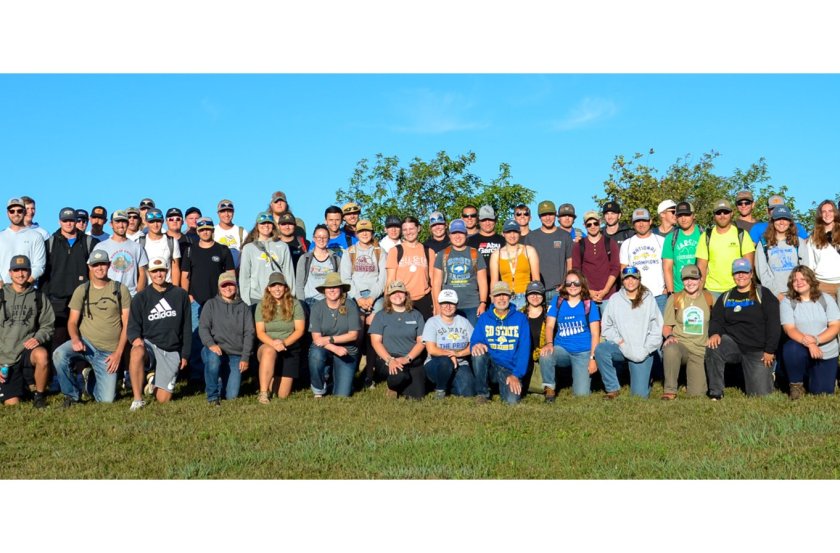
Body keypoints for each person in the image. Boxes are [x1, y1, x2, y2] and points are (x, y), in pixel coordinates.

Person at [53, 250, 130, 406]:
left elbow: (127, 324)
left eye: (102, 264)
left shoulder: (120, 289)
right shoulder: (82, 290)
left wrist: (118, 354)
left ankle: (90, 380)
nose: (99, 268)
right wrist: (75, 339)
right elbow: (72, 322)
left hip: (109, 352)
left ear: (109, 265)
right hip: (86, 344)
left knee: (106, 400)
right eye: (95, 265)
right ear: (89, 267)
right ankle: (72, 395)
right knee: (59, 354)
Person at [705, 258, 781, 400]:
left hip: (757, 349)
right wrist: (715, 333)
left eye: (744, 272)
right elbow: (716, 319)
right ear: (733, 275)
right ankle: (716, 391)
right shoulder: (726, 296)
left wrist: (770, 350)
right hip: (733, 344)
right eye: (737, 273)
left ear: (751, 274)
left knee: (759, 396)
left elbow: (774, 323)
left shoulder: (763, 294)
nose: (741, 276)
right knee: (713, 346)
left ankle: (768, 374)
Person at [126, 256, 192, 410]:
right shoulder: (141, 297)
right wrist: (136, 340)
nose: (158, 274)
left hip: (171, 349)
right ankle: (137, 399)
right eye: (155, 271)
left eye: (161, 270)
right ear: (149, 273)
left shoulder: (180, 295)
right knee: (136, 352)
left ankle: (152, 383)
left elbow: (186, 327)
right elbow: (133, 326)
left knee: (163, 400)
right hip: (150, 346)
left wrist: (185, 354)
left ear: (167, 271)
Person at [595, 266, 663, 399]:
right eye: (626, 279)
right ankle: (612, 388)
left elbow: (657, 327)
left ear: (639, 280)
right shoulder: (615, 299)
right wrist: (619, 341)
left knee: (639, 396)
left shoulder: (648, 298)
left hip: (643, 350)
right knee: (601, 350)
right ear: (622, 281)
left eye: (634, 278)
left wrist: (647, 348)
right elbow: (607, 326)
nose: (630, 281)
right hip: (622, 347)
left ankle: (645, 378)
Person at [181, 216, 235, 380]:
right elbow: (185, 276)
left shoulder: (222, 250)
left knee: (219, 336)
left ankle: (218, 373)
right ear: (198, 231)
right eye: (202, 229)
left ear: (212, 230)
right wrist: (187, 296)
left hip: (218, 301)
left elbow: (231, 275)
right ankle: (197, 376)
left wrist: (228, 298)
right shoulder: (190, 250)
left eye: (208, 229)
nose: (205, 232)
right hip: (196, 301)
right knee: (197, 337)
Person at [0, 255, 54, 407]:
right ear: (10, 273)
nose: (20, 274)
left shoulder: (38, 296)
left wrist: (38, 338)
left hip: (26, 351)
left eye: (24, 270)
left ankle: (39, 396)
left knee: (42, 355)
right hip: (4, 357)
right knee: (13, 404)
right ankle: (22, 386)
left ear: (30, 272)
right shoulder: (2, 295)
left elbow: (48, 325)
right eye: (16, 270)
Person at [42, 207, 99, 349]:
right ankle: (58, 371)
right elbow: (44, 273)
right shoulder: (49, 243)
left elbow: (96, 271)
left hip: (83, 299)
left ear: (76, 221)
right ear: (59, 222)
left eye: (72, 220)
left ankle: (82, 371)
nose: (68, 224)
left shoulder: (89, 242)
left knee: (82, 339)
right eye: (65, 220)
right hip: (57, 300)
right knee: (58, 340)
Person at [780, 266, 840, 399]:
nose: (799, 282)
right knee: (791, 348)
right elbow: (789, 329)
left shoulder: (826, 299)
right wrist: (811, 344)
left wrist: (816, 340)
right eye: (795, 280)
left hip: (825, 351)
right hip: (801, 349)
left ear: (811, 280)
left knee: (822, 393)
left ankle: (819, 377)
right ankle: (796, 385)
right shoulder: (787, 302)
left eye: (803, 278)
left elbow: (835, 326)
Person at [540, 270, 601, 400]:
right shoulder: (558, 301)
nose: (572, 286)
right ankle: (549, 388)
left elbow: (595, 334)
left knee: (581, 395)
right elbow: (550, 326)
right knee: (546, 354)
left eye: (576, 283)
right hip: (562, 349)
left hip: (583, 352)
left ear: (582, 284)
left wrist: (592, 359)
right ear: (565, 285)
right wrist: (549, 344)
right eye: (569, 283)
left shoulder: (589, 304)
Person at [339, 219, 386, 387]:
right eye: (361, 231)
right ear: (357, 233)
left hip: (376, 296)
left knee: (373, 334)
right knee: (356, 334)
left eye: (368, 231)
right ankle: (350, 375)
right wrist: (358, 298)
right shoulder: (349, 252)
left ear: (372, 232)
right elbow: (345, 278)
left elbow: (382, 279)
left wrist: (372, 298)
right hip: (354, 295)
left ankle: (369, 376)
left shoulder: (380, 252)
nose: (365, 234)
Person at [198, 271, 255, 406]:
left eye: (231, 285)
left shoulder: (244, 308)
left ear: (236, 286)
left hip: (235, 354)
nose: (228, 288)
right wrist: (211, 344)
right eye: (224, 285)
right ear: (219, 288)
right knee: (213, 359)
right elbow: (203, 328)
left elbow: (249, 333)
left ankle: (219, 380)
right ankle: (212, 397)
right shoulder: (210, 304)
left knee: (231, 396)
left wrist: (245, 357)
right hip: (216, 350)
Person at [470, 281, 531, 404]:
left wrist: (516, 375)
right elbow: (475, 340)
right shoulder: (484, 318)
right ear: (492, 298)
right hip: (491, 364)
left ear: (510, 297)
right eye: (498, 295)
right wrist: (476, 344)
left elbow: (524, 350)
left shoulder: (520, 318)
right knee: (478, 354)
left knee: (512, 401)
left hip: (509, 368)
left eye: (505, 295)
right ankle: (482, 394)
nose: (501, 298)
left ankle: (504, 386)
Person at [660, 264, 713, 400]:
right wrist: (669, 336)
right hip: (681, 345)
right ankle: (670, 390)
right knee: (670, 348)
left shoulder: (709, 298)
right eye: (686, 279)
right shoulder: (675, 298)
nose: (690, 283)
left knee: (697, 394)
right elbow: (666, 326)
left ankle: (687, 382)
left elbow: (717, 323)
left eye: (693, 279)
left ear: (700, 280)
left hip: (699, 350)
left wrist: (713, 336)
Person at [369, 281, 427, 399]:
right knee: (399, 376)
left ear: (406, 295)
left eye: (400, 292)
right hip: (387, 359)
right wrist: (390, 360)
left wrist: (407, 358)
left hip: (411, 359)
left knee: (418, 395)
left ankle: (403, 387)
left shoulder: (416, 315)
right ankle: (393, 387)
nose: (397, 295)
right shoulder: (381, 316)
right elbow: (375, 342)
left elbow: (421, 342)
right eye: (393, 293)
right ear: (389, 297)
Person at [254, 272, 305, 403]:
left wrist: (283, 343)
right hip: (268, 345)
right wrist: (274, 343)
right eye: (274, 285)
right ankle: (263, 393)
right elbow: (260, 332)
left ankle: (270, 377)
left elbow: (299, 330)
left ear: (285, 287)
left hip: (289, 346)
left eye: (280, 285)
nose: (277, 289)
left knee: (282, 395)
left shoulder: (295, 304)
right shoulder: (261, 305)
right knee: (269, 351)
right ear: (269, 288)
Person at [308, 272, 361, 398]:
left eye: (335, 286)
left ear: (341, 289)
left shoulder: (351, 305)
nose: (332, 290)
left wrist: (329, 339)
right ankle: (319, 389)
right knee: (316, 355)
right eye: (329, 287)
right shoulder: (316, 307)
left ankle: (333, 379)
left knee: (342, 395)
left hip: (347, 349)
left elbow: (353, 335)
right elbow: (316, 338)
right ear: (324, 290)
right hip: (325, 348)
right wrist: (334, 347)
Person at [431, 218, 488, 327]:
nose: (457, 236)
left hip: (472, 305)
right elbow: (436, 283)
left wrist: (483, 303)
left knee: (473, 338)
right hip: (448, 305)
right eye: (454, 233)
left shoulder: (475, 254)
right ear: (450, 235)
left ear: (466, 234)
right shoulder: (442, 255)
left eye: (461, 233)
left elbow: (482, 281)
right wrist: (438, 307)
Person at [695, 199, 756, 298]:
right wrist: (699, 293)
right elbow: (701, 267)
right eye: (718, 212)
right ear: (714, 215)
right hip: (712, 291)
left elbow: (749, 266)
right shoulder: (706, 236)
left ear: (731, 214)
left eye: (726, 212)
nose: (722, 215)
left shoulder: (741, 234)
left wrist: (747, 291)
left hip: (737, 288)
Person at [422, 289, 474, 398]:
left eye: (451, 303)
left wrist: (458, 354)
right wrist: (450, 356)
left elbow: (474, 344)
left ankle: (449, 385)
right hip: (437, 363)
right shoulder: (432, 322)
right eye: (444, 303)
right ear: (439, 305)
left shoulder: (464, 322)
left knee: (468, 392)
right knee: (445, 362)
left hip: (460, 362)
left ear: (456, 305)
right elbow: (431, 349)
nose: (448, 306)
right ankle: (440, 389)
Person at [240, 212, 296, 307]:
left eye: (269, 223)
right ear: (257, 226)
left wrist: (291, 297)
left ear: (273, 226)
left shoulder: (283, 246)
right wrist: (246, 301)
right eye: (262, 223)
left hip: (278, 297)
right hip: (256, 298)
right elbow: (244, 277)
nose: (266, 225)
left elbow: (288, 273)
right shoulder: (248, 248)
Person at [523, 200, 573, 304]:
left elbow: (570, 262)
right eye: (544, 215)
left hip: (559, 290)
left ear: (555, 214)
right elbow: (526, 266)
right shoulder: (531, 237)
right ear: (539, 217)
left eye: (550, 214)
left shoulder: (565, 236)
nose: (548, 218)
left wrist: (566, 283)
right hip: (537, 291)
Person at [386, 216, 435, 319]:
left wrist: (436, 305)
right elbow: (390, 280)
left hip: (424, 300)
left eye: (411, 228)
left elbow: (434, 282)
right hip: (402, 299)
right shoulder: (395, 251)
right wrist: (388, 304)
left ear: (418, 228)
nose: (408, 232)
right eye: (405, 230)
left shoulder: (428, 251)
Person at [619, 208, 667, 313]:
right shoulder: (627, 244)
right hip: (637, 295)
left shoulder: (662, 241)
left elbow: (668, 266)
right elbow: (623, 271)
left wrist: (667, 288)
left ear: (650, 221)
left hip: (659, 295)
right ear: (633, 224)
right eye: (637, 221)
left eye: (644, 220)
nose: (641, 224)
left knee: (661, 328)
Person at [92, 209, 148, 297]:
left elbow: (142, 273)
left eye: (124, 222)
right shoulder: (101, 246)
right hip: (107, 296)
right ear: (111, 224)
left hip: (131, 296)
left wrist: (138, 294)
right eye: (117, 222)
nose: (121, 225)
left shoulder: (137, 247)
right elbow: (92, 271)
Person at [572, 210, 619, 311]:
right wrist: (589, 291)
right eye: (589, 224)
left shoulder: (610, 243)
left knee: (609, 326)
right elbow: (576, 271)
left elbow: (615, 268)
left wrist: (605, 290)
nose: (592, 226)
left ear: (600, 222)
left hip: (608, 296)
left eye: (595, 223)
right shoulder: (579, 245)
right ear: (584, 225)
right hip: (587, 296)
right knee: (589, 326)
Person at [755, 206, 806, 300]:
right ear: (772, 221)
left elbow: (805, 270)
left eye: (785, 219)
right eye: (778, 219)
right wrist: (777, 294)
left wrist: (798, 291)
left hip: (796, 293)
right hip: (772, 295)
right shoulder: (763, 244)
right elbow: (762, 273)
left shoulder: (799, 242)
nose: (782, 222)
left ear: (790, 222)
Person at [489, 219, 539, 309]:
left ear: (519, 233)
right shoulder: (496, 254)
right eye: (508, 232)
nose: (512, 235)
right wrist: (493, 301)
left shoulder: (529, 250)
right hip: (505, 298)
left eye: (515, 232)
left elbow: (536, 279)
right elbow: (494, 282)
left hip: (526, 296)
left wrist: (535, 299)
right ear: (503, 234)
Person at [0, 197, 47, 287]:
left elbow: (39, 266)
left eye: (19, 211)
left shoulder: (36, 236)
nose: (16, 214)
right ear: (7, 213)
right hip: (3, 291)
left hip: (28, 290)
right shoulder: (1, 236)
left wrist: (26, 284)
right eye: (12, 211)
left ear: (24, 212)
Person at [662, 201, 702, 295]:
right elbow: (667, 267)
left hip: (700, 290)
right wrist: (671, 292)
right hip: (679, 290)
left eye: (687, 215)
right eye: (680, 215)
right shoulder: (670, 238)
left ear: (693, 215)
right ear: (676, 217)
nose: (683, 219)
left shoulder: (703, 235)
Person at [295, 224, 340, 307]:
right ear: (313, 238)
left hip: (329, 301)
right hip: (309, 302)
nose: (321, 240)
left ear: (328, 239)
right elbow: (299, 284)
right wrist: (302, 304)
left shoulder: (335, 258)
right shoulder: (305, 258)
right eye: (318, 237)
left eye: (325, 237)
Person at [805, 199, 840, 296]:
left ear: (835, 213)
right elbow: (810, 264)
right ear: (820, 215)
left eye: (830, 211)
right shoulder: (813, 237)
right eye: (824, 212)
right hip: (822, 285)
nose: (827, 214)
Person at [138, 208, 181, 286]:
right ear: (146, 223)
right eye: (151, 222)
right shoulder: (140, 242)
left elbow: (175, 268)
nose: (155, 225)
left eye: (158, 221)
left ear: (162, 222)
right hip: (147, 290)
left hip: (168, 289)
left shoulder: (172, 241)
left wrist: (175, 292)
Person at [520, 281, 548, 396]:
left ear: (543, 296)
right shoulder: (520, 314)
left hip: (544, 355)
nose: (535, 297)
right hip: (525, 355)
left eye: (538, 294)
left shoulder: (550, 313)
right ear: (526, 296)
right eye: (531, 294)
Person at [467, 206, 504, 287]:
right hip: (476, 286)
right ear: (478, 221)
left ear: (495, 220)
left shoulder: (504, 241)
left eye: (490, 219)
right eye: (484, 220)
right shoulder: (469, 241)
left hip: (500, 286)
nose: (487, 223)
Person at [213, 199, 247, 268]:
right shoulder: (212, 231)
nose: (226, 214)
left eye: (229, 211)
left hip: (237, 273)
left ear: (233, 212)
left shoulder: (242, 231)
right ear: (218, 213)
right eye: (223, 211)